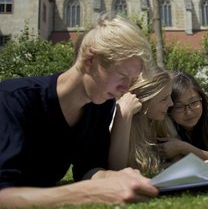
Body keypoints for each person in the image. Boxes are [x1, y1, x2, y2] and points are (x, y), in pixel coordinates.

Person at [0, 13, 159, 207]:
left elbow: (88, 167)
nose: (125, 88)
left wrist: (113, 177)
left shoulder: (100, 106)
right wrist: (88, 193)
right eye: (122, 75)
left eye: (131, 80)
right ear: (90, 59)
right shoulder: (13, 100)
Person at [158, 71, 208, 164]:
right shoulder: (162, 120)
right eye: (179, 106)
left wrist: (182, 147)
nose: (189, 112)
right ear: (169, 109)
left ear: (201, 98)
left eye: (194, 102)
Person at [108, 69, 174, 175]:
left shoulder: (158, 121)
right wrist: (125, 114)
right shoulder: (120, 119)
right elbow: (116, 169)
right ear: (143, 100)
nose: (171, 103)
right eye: (164, 99)